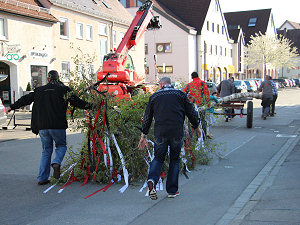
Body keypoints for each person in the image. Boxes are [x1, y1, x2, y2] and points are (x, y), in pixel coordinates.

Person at [5, 70, 93, 185]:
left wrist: (10, 107)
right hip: (58, 125)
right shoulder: (64, 89)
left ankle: (42, 178)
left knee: (46, 151)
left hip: (42, 126)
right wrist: (92, 106)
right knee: (61, 146)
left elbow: (25, 100)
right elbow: (77, 102)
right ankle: (56, 162)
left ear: (48, 79)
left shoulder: (39, 90)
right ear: (58, 78)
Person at [138, 77, 201, 200]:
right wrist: (197, 127)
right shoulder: (181, 94)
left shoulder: (154, 97)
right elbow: (191, 112)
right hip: (176, 132)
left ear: (161, 85)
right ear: (170, 84)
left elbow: (147, 118)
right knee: (174, 159)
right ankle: (172, 190)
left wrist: (143, 136)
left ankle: (152, 179)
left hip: (160, 133)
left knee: (158, 158)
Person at [183, 72, 210, 138]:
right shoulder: (202, 83)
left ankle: (193, 136)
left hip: (192, 105)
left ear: (192, 77)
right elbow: (206, 93)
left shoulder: (189, 85)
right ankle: (203, 136)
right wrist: (208, 103)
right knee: (202, 120)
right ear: (198, 76)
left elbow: (183, 93)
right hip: (200, 105)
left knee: (192, 121)